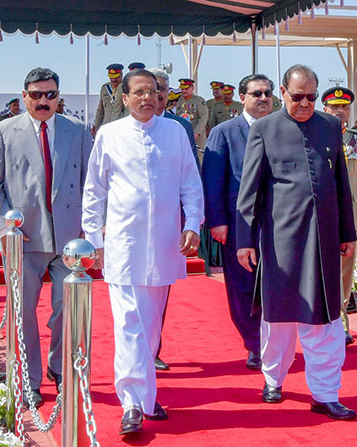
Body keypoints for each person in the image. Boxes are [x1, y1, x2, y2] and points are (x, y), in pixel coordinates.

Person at [82, 68, 204, 436]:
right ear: (124, 98)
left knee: (150, 328)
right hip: (123, 245)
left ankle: (146, 397)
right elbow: (94, 192)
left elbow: (190, 184)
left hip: (165, 245)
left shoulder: (175, 133)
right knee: (130, 324)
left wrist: (192, 224)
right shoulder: (109, 134)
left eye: (153, 91)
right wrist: (95, 241)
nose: (147, 98)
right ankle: (132, 404)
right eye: (139, 92)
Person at [236, 64, 357, 420]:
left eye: (311, 97)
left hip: (323, 240)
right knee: (279, 320)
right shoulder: (264, 128)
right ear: (283, 94)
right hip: (280, 241)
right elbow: (250, 190)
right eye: (297, 96)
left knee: (324, 320)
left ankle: (325, 393)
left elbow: (340, 186)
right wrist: (246, 240)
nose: (305, 104)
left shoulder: (331, 126)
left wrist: (347, 232)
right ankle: (273, 379)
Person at [0, 67, 93, 408]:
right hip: (25, 238)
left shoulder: (76, 130)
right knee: (24, 312)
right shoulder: (4, 131)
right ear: (24, 96)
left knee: (66, 308)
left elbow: (91, 182)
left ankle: (59, 368)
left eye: (50, 94)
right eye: (36, 95)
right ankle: (29, 380)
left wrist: (90, 228)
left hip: (69, 239)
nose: (43, 101)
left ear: (59, 96)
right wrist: (5, 228)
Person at [202, 73, 275, 371]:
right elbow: (213, 179)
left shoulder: (281, 128)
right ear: (242, 98)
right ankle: (254, 344)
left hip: (277, 223)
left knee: (274, 285)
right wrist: (217, 220)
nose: (263, 99)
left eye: (267, 93)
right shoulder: (224, 132)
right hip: (238, 224)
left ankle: (273, 341)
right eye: (256, 93)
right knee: (244, 286)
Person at [147, 67, 199, 372]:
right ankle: (137, 350)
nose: (158, 94)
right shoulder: (121, 127)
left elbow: (189, 175)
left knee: (161, 288)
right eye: (152, 88)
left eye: (162, 88)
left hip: (169, 221)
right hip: (133, 225)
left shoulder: (180, 127)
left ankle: (154, 349)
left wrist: (190, 220)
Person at [320, 86, 357, 346]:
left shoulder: (356, 138)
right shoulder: (315, 133)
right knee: (321, 268)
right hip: (320, 213)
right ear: (325, 108)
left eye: (344, 107)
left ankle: (340, 320)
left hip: (351, 213)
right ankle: (319, 317)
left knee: (346, 270)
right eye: (335, 107)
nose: (341, 112)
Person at [175, 78, 209, 157]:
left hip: (196, 136)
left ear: (192, 88)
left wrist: (196, 133)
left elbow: (203, 118)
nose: (184, 91)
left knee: (198, 158)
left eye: (186, 88)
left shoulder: (199, 101)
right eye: (182, 89)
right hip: (182, 134)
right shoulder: (178, 101)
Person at [92, 63, 124, 137]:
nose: (113, 80)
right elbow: (101, 109)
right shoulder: (105, 88)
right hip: (107, 127)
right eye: (111, 77)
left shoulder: (126, 87)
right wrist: (96, 124)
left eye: (116, 77)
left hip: (121, 127)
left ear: (121, 75)